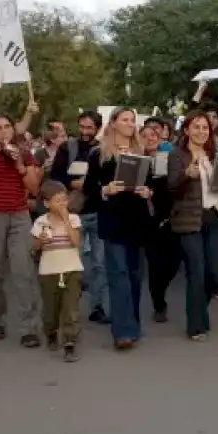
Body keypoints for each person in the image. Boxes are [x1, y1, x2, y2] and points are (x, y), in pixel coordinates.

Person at [0, 80, 44, 346]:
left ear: (14, 130)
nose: (3, 131)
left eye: (7, 127)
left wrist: (20, 166)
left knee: (23, 270)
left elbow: (34, 188)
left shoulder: (24, 153)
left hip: (18, 215)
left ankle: (29, 328)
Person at [83, 106, 154, 350]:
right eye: (125, 119)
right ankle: (122, 332)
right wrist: (105, 190)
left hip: (137, 219)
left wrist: (148, 191)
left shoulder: (142, 152)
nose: (130, 124)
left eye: (133, 120)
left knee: (134, 275)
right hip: (113, 220)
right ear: (113, 123)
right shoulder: (98, 154)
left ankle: (132, 324)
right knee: (119, 275)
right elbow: (89, 188)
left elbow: (152, 183)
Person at [168, 109, 218, 341]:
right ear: (187, 130)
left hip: (214, 215)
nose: (201, 131)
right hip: (189, 217)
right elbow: (171, 187)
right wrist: (186, 175)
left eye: (205, 128)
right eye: (196, 127)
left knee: (215, 271)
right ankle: (195, 325)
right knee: (197, 271)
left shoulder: (214, 154)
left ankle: (200, 310)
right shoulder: (177, 155)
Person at [50, 110, 108, 324]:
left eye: (89, 128)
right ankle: (70, 306)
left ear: (98, 129)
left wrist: (91, 185)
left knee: (100, 264)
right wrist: (72, 183)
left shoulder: (103, 150)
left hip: (98, 211)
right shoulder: (68, 148)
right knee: (74, 262)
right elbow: (55, 177)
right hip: (74, 214)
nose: (85, 132)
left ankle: (97, 307)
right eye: (82, 127)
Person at [31, 180, 83, 362]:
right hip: (49, 271)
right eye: (58, 201)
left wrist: (66, 219)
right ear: (46, 203)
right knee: (51, 309)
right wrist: (40, 242)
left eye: (64, 200)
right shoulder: (41, 221)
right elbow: (33, 247)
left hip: (71, 269)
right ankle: (51, 331)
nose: (63, 204)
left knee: (70, 308)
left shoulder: (74, 219)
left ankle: (70, 342)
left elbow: (76, 242)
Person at [141, 123, 181, 324]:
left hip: (169, 218)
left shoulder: (168, 159)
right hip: (147, 222)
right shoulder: (135, 161)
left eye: (154, 135)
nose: (150, 138)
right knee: (155, 264)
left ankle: (161, 287)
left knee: (173, 262)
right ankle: (159, 304)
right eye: (146, 135)